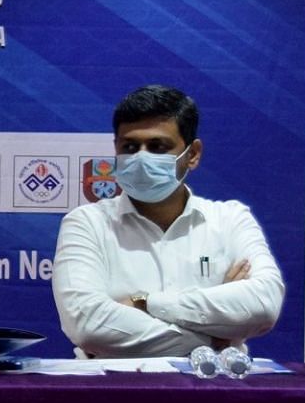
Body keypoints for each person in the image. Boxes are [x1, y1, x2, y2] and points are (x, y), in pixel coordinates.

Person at [51, 84, 284, 358]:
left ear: (193, 154)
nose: (141, 157)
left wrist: (146, 303)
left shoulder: (231, 219)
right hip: (115, 388)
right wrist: (213, 336)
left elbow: (263, 304)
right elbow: (88, 325)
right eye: (129, 146)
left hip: (214, 389)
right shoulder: (86, 223)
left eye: (158, 146)